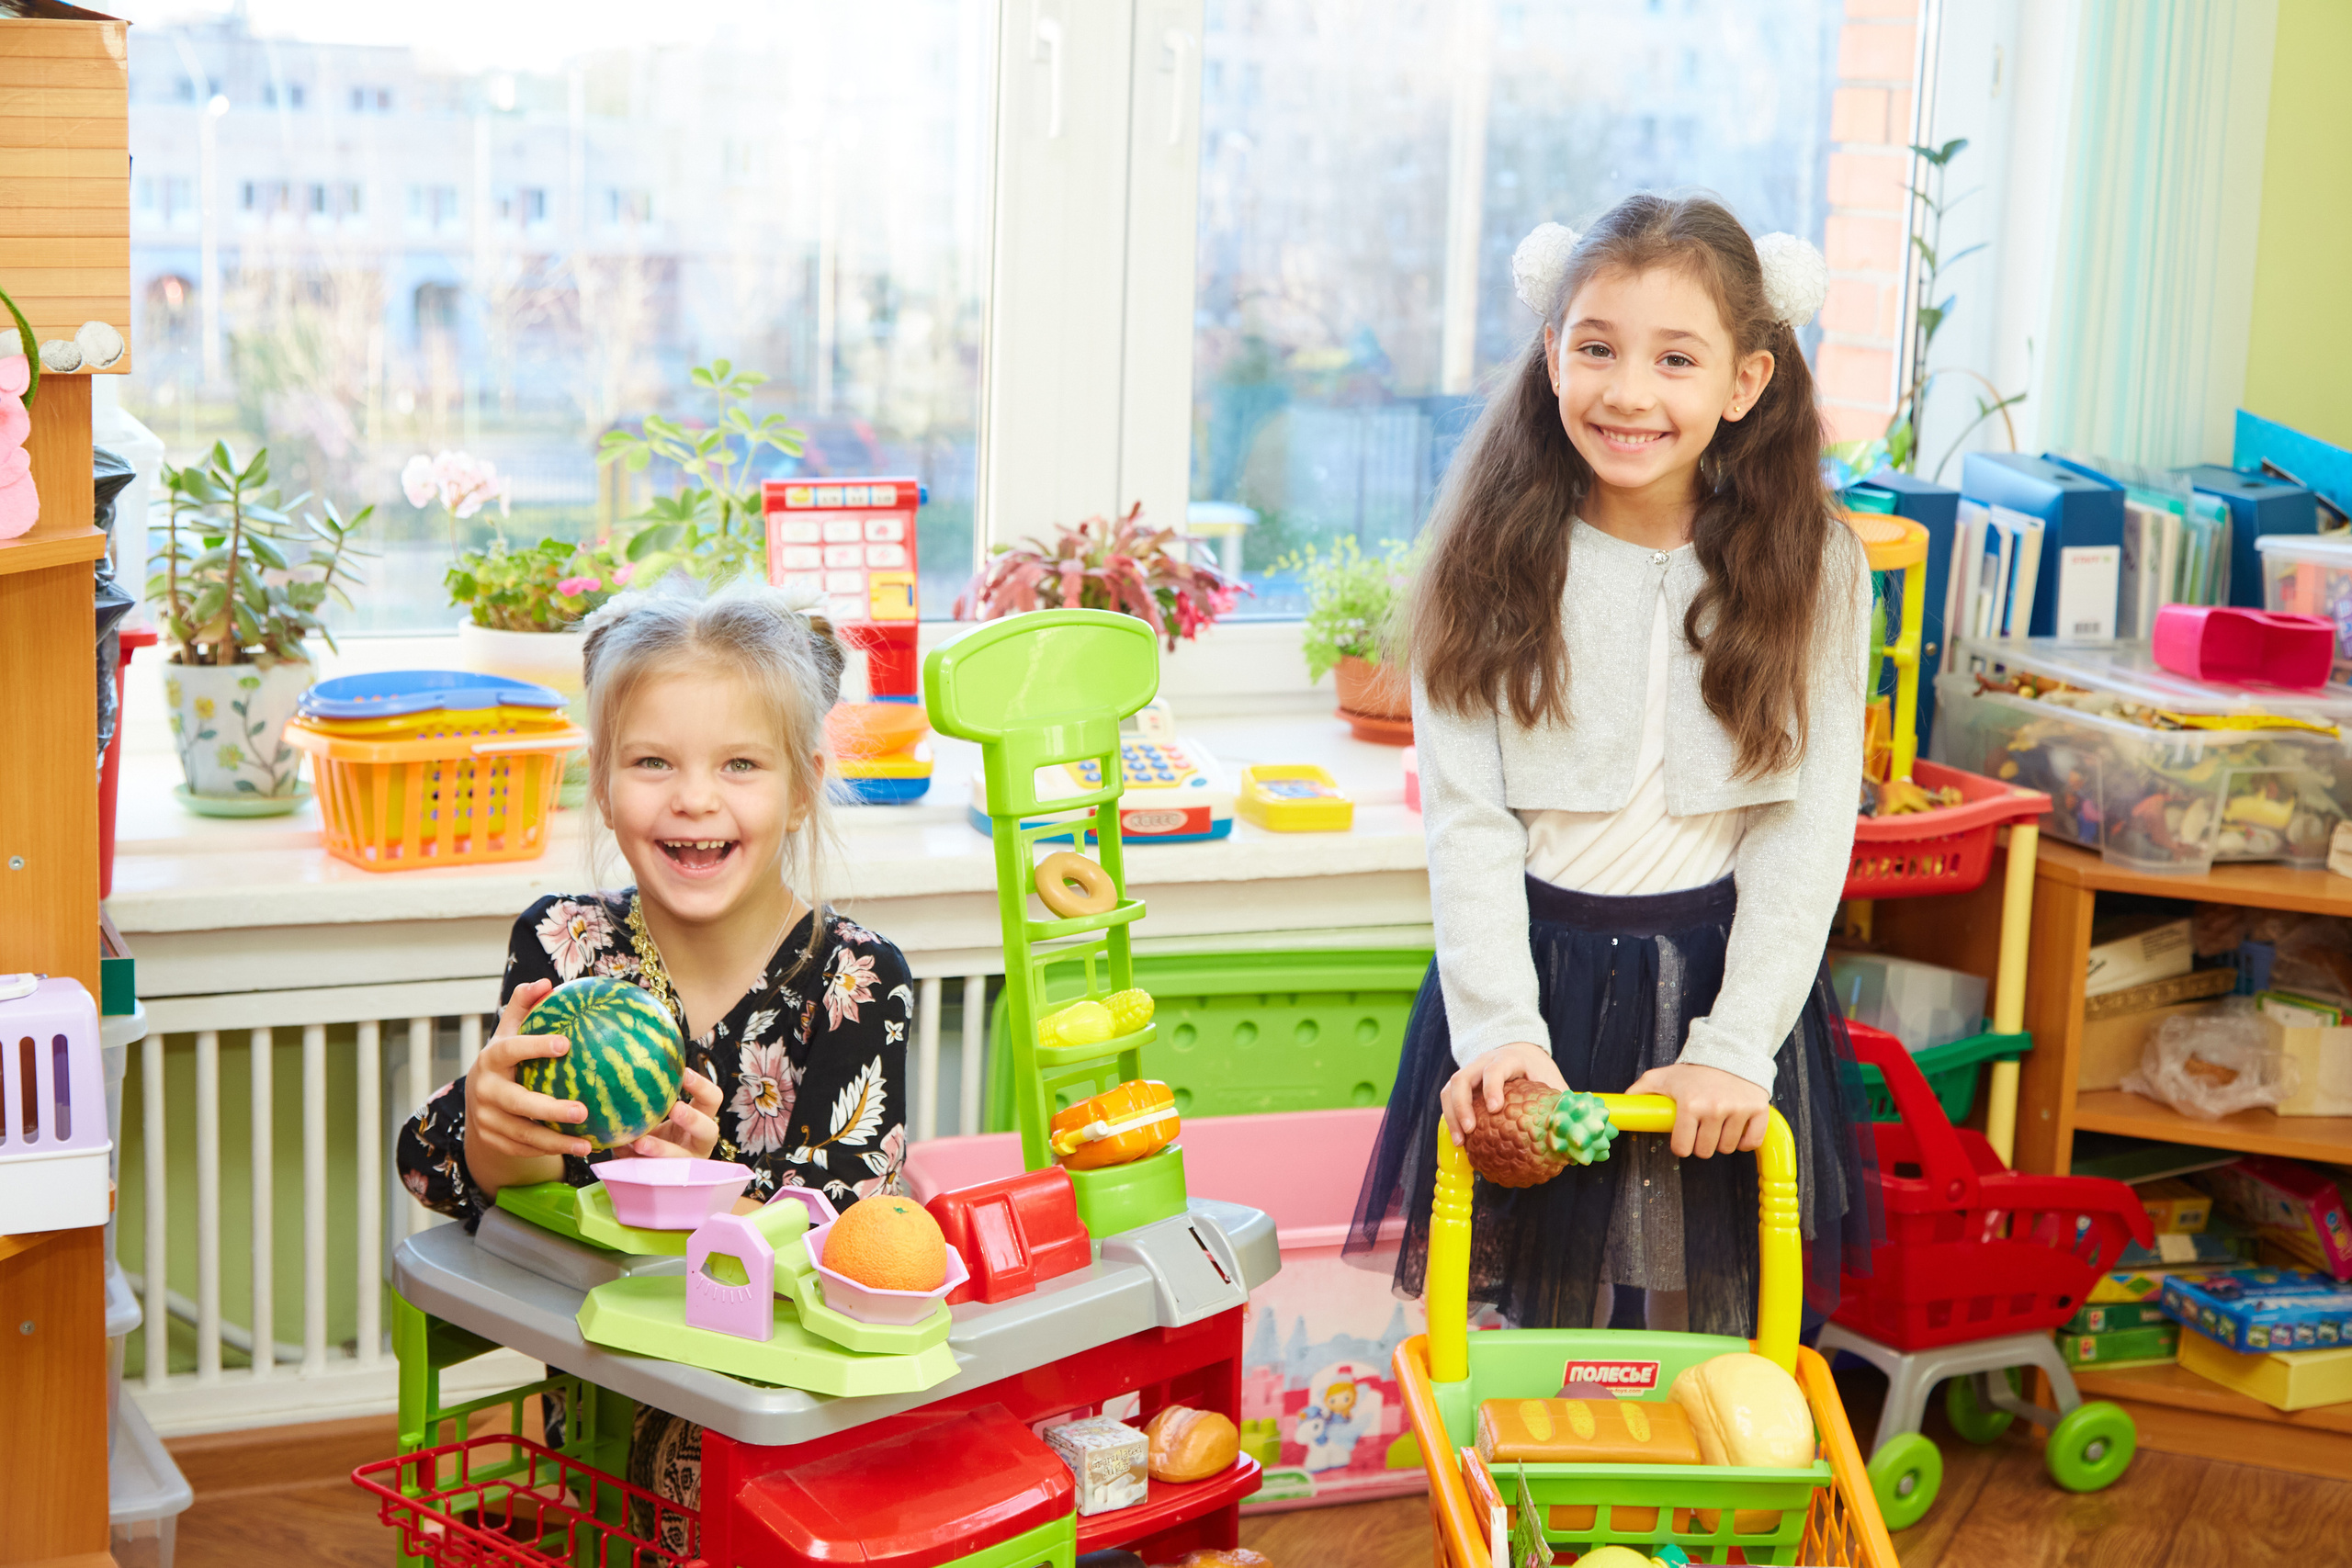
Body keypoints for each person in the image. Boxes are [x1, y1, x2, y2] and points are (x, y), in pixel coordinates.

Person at [1348, 193, 1881, 1339]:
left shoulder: (1820, 570)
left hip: (1718, 992)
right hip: (1527, 985)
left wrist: (1733, 1047)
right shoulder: (1486, 555)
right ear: (1552, 355)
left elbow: (1804, 830)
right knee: (1518, 1337)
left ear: (1744, 381)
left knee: (1694, 1338)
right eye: (1596, 349)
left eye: (1674, 359)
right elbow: (1468, 822)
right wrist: (1500, 1029)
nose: (1628, 392)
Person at [396, 582, 913, 1545]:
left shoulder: (855, 979)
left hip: (788, 1441)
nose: (694, 797)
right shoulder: (563, 945)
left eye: (741, 763)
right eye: (651, 761)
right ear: (601, 781)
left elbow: (854, 1228)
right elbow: (433, 1168)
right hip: (603, 1415)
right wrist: (500, 1129)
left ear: (803, 786)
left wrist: (715, 1194)